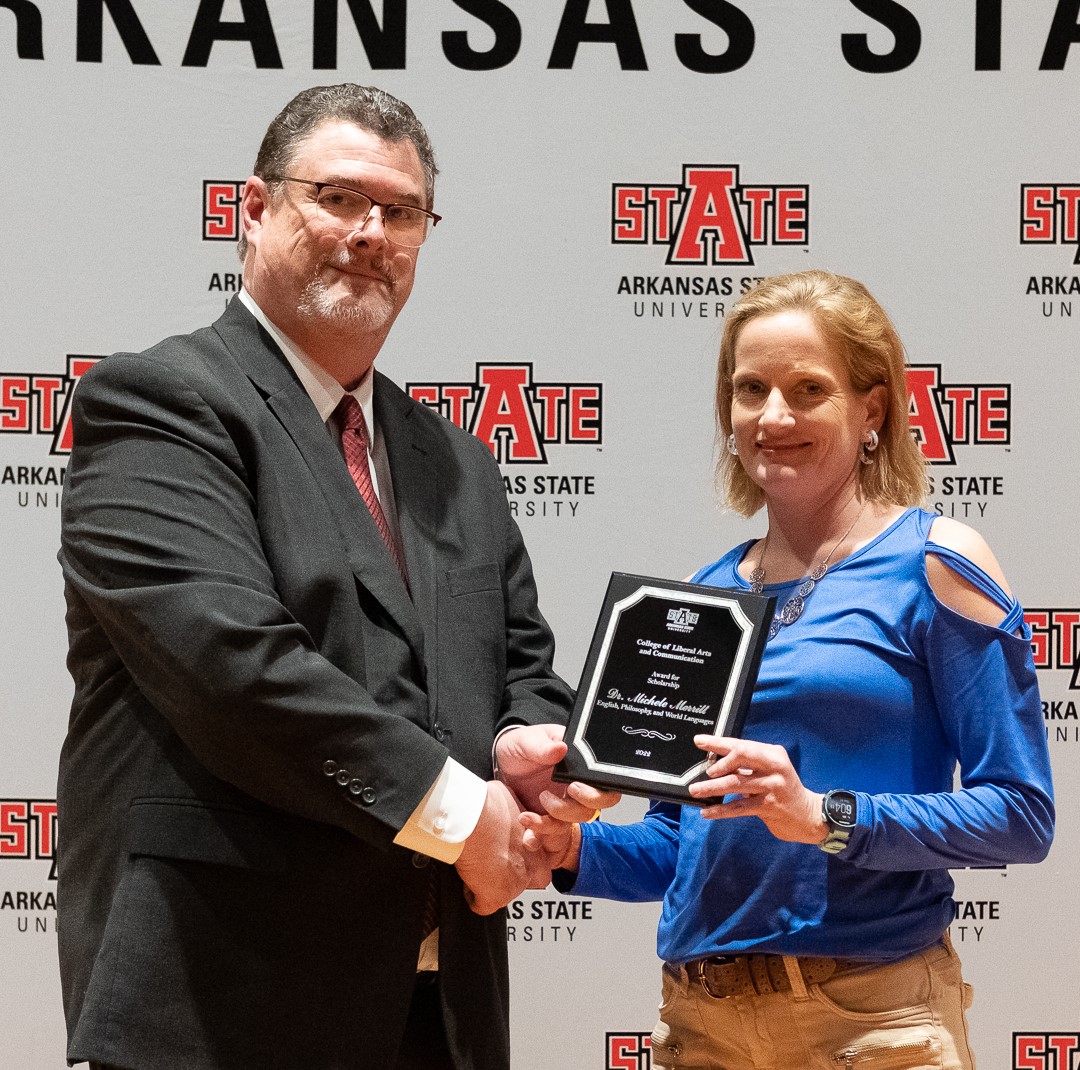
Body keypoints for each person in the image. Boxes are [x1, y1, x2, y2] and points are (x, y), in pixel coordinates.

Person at [57, 84, 609, 1070]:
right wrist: (459, 812)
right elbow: (233, 669)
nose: (369, 232)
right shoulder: (158, 404)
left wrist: (526, 742)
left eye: (400, 212)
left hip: (442, 1009)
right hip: (225, 1005)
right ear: (255, 210)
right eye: (338, 197)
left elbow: (520, 658)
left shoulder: (455, 459)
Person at [524, 270, 1054, 1070]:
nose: (774, 416)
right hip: (700, 1026)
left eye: (808, 389)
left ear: (870, 408)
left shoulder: (935, 562)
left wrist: (825, 816)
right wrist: (567, 853)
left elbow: (1021, 814)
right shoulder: (705, 598)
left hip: (872, 1024)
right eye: (751, 389)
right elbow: (678, 845)